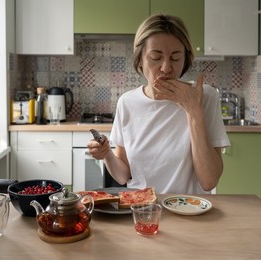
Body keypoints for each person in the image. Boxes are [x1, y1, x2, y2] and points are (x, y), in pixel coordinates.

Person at [87, 13, 230, 194]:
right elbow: (123, 176)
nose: (166, 68)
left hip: (189, 212)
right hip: (141, 209)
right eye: (156, 57)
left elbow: (209, 181)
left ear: (185, 59)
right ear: (140, 59)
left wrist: (194, 111)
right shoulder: (127, 103)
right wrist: (106, 153)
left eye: (176, 58)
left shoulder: (204, 96)